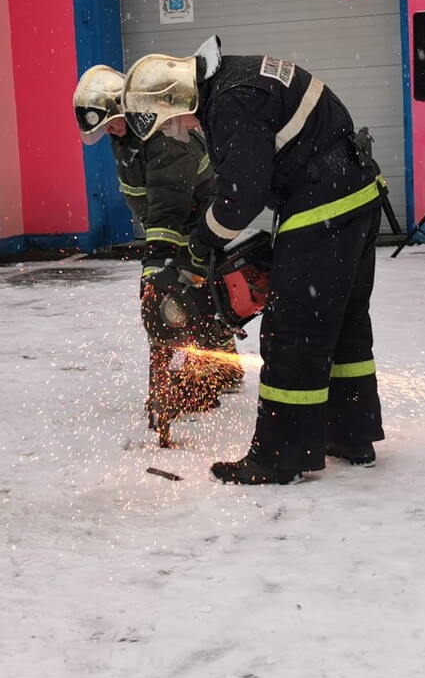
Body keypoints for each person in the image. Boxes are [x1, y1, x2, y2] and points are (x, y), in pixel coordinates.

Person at [123, 35, 385, 484]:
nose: (179, 131)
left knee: (292, 330)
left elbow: (240, 199)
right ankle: (349, 433)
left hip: (322, 204)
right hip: (353, 192)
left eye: (172, 123)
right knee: (342, 326)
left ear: (179, 98)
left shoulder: (231, 102)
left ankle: (281, 456)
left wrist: (200, 243)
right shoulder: (237, 78)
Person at [73, 64, 242, 434]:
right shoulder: (127, 138)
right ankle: (219, 370)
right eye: (103, 130)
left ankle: (207, 378)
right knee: (188, 299)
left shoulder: (161, 134)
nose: (110, 133)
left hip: (194, 226)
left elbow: (168, 202)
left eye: (113, 123)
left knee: (186, 300)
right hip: (167, 226)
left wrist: (157, 265)